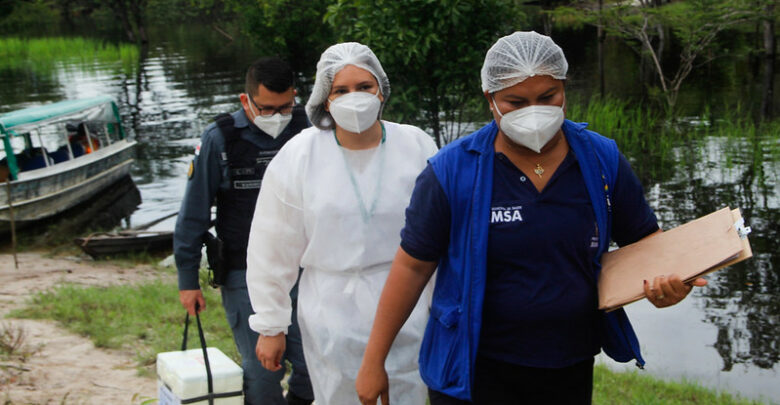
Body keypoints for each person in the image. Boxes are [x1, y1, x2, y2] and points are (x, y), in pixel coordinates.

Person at [355, 31, 708, 405]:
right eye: (515, 101)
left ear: (564, 88)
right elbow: (411, 268)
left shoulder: (601, 160)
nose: (534, 112)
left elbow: (646, 244)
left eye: (547, 97)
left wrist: (670, 283)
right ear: (490, 99)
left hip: (568, 365)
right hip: (474, 371)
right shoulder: (452, 171)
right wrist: (373, 360)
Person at [245, 42, 438, 405]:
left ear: (381, 89)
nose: (355, 97)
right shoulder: (300, 156)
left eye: (364, 87)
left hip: (407, 305)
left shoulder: (416, 146)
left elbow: (443, 235)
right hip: (331, 309)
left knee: (405, 393)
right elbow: (272, 245)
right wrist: (271, 324)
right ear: (325, 98)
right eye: (341, 90)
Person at [174, 57, 314, 405]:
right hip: (244, 273)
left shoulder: (312, 131)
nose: (277, 116)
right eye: (266, 109)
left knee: (315, 365)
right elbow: (193, 215)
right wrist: (187, 279)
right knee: (263, 371)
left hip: (308, 271)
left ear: (296, 96)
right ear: (245, 101)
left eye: (285, 107)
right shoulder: (220, 139)